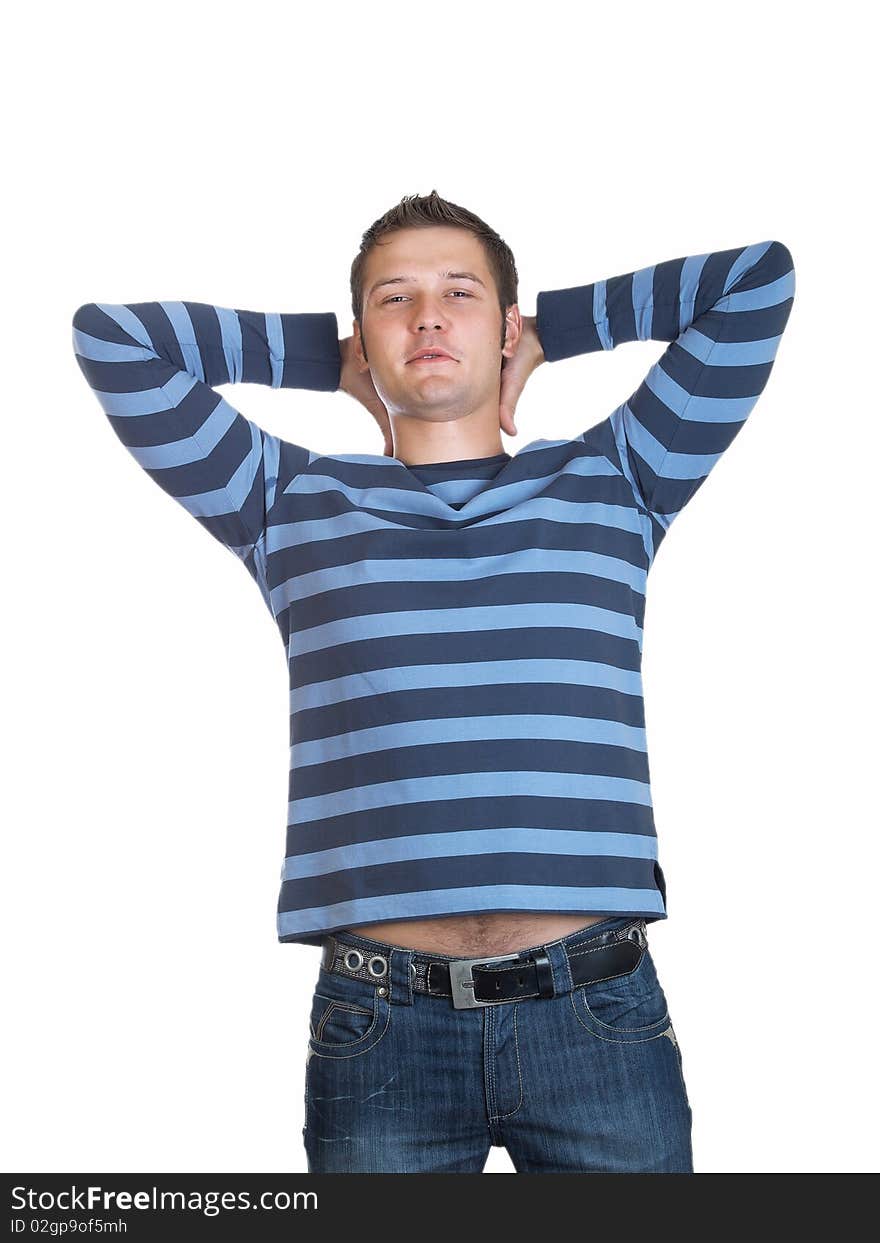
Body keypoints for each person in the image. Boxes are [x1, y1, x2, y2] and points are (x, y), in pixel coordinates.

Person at [71, 190, 796, 1172]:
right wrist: (325, 361)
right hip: (381, 1026)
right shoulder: (285, 499)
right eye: (392, 299)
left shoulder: (619, 478)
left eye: (460, 294)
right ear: (363, 337)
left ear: (503, 328)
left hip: (596, 1013)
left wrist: (553, 332)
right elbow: (113, 340)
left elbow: (757, 282)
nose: (426, 317)